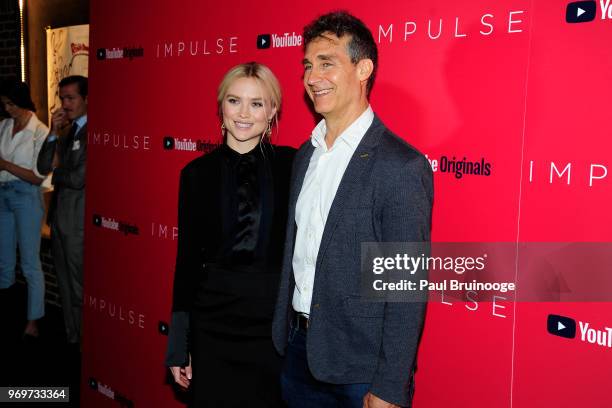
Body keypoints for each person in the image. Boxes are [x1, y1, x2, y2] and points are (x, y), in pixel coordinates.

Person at [271, 11, 434, 408]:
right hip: (296, 353)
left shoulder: (401, 166)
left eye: (327, 63)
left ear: (363, 69)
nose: (312, 77)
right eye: (308, 65)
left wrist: (390, 387)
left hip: (360, 373)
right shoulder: (305, 155)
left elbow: (405, 289)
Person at [166, 62, 295, 407]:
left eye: (256, 103)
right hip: (212, 325)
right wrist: (180, 343)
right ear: (221, 106)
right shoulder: (195, 174)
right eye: (234, 100)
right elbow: (188, 260)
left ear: (272, 111)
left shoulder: (293, 166)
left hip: (271, 329)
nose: (244, 113)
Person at [37, 75, 88, 346]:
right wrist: (53, 132)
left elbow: (80, 177)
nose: (65, 105)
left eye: (71, 98)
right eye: (62, 98)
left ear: (86, 99)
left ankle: (86, 344)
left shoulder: (95, 132)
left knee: (79, 288)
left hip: (77, 224)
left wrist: (58, 174)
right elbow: (43, 166)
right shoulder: (65, 130)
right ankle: (73, 338)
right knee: (64, 285)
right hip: (58, 220)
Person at [0, 80, 49, 339]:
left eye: (10, 104)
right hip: (3, 195)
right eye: (4, 104)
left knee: (30, 262)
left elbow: (37, 176)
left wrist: (5, 165)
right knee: (4, 260)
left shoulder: (39, 131)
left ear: (22, 102)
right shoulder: (4, 126)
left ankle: (34, 320)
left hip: (27, 196)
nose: (7, 109)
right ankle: (8, 312)